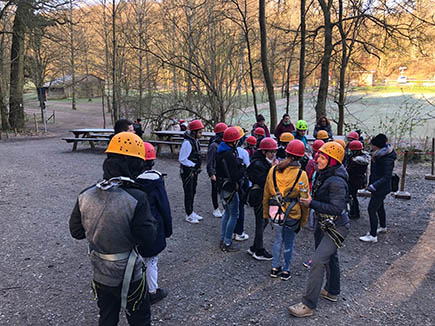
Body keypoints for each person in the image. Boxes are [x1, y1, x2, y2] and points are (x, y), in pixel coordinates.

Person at [69, 132, 158, 326]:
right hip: (130, 273)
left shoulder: (86, 194)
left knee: (107, 317)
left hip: (101, 272)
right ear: (135, 164)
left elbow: (76, 231)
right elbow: (148, 237)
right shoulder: (137, 197)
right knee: (139, 318)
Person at [288, 141, 350, 318]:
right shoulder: (325, 174)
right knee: (330, 257)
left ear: (332, 161)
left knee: (318, 261)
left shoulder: (336, 181)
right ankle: (332, 291)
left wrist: (311, 203)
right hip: (324, 223)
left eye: (323, 158)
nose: (318, 160)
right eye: (318, 156)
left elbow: (337, 208)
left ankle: (308, 305)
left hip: (335, 226)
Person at [263, 140, 310, 281]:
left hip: (275, 212)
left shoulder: (273, 170)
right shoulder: (301, 175)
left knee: (278, 240)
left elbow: (266, 194)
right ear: (301, 157)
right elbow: (304, 200)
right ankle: (285, 270)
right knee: (289, 242)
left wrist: (266, 214)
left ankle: (274, 267)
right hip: (292, 213)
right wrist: (304, 220)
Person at [136, 142, 172, 306]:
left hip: (133, 227)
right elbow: (164, 206)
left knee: (135, 259)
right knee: (151, 261)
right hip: (153, 226)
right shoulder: (156, 181)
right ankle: (151, 291)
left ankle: (134, 288)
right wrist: (168, 229)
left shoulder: (128, 179)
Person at [359, 134, 396, 242]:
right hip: (378, 187)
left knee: (371, 209)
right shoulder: (378, 154)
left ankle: (373, 235)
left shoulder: (386, 158)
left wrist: (374, 185)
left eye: (372, 145)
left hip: (381, 188)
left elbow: (387, 176)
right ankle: (383, 227)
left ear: (377, 146)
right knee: (380, 206)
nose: (371, 146)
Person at [216, 127, 246, 252]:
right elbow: (234, 176)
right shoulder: (229, 155)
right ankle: (227, 242)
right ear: (234, 141)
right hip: (230, 187)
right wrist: (243, 167)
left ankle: (224, 239)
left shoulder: (221, 151)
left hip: (222, 186)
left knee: (227, 213)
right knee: (234, 214)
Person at [246, 138, 277, 261]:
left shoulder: (260, 161)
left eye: (274, 151)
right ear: (264, 152)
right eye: (271, 152)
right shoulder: (259, 164)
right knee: (261, 222)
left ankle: (255, 246)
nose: (273, 154)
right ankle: (258, 250)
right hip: (259, 195)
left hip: (260, 194)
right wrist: (273, 169)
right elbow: (265, 181)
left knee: (262, 222)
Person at [179, 120, 204, 224]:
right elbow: (182, 159)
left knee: (193, 191)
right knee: (188, 192)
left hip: (194, 171)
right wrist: (193, 165)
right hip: (188, 172)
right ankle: (188, 214)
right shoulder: (187, 143)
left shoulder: (195, 141)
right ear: (194, 132)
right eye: (200, 132)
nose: (201, 134)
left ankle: (191, 211)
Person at [207, 122, 228, 218]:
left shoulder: (223, 144)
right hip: (215, 172)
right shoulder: (213, 146)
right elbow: (209, 161)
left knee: (223, 190)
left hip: (222, 172)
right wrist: (211, 173)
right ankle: (216, 208)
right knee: (215, 190)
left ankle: (224, 207)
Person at [233, 126, 251, 241]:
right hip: (241, 183)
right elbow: (248, 167)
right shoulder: (243, 152)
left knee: (232, 209)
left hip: (229, 183)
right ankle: (239, 232)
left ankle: (231, 231)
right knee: (240, 208)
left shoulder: (226, 150)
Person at [346, 140, 370, 220]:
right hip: (356, 179)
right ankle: (354, 211)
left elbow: (350, 169)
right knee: (352, 196)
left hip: (354, 180)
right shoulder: (362, 159)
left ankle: (355, 212)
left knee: (352, 196)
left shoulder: (357, 161)